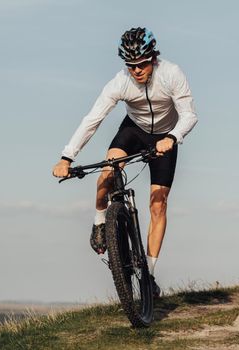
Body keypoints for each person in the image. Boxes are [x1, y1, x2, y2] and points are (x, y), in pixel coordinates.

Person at [52, 27, 198, 297]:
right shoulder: (120, 82)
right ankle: (99, 221)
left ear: (153, 58)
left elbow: (189, 115)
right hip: (133, 130)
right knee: (107, 172)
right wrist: (67, 156)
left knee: (158, 204)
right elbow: (93, 119)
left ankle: (149, 276)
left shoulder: (171, 73)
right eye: (131, 66)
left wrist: (173, 137)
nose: (136, 71)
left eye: (141, 64)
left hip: (165, 137)